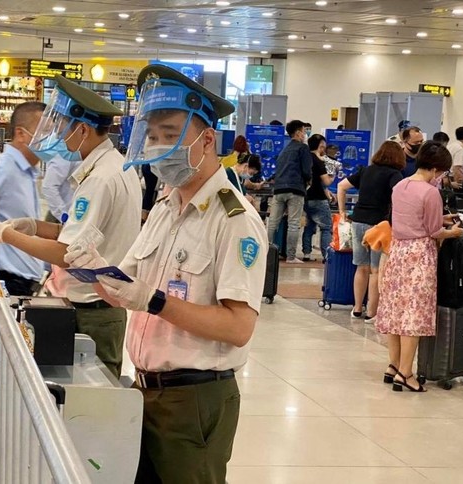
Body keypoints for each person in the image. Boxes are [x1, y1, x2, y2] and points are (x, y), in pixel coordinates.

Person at [65, 64, 268, 483]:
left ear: (207, 138)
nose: (159, 147)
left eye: (172, 135)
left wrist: (153, 301)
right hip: (144, 389)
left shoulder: (234, 220)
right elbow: (125, 285)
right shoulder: (165, 207)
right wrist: (93, 269)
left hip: (195, 398)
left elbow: (238, 327)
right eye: (152, 136)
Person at [0, 75, 141, 378]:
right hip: (95, 307)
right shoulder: (111, 166)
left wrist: (6, 234)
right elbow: (84, 238)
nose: (57, 135)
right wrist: (35, 227)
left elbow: (66, 252)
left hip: (93, 311)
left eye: (62, 127)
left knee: (90, 405)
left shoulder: (100, 178)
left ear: (82, 129)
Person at [375, 141, 463, 392]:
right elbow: (434, 231)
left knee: (395, 311)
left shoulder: (400, 185)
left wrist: (439, 219)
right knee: (413, 315)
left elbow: (411, 217)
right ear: (435, 169)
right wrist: (453, 231)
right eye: (443, 172)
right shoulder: (430, 192)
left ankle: (392, 366)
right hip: (419, 256)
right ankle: (406, 373)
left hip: (398, 252)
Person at [337, 141, 406, 321]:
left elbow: (341, 186)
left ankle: (357, 308)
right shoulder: (394, 174)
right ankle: (372, 313)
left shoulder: (365, 170)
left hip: (358, 221)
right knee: (376, 270)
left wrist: (342, 211)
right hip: (379, 225)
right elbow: (401, 195)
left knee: (361, 267)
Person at [0, 101, 46, 296]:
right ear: (21, 134)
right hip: (7, 281)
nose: (53, 139)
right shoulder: (4, 169)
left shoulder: (28, 171)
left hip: (25, 283)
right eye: (45, 132)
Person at [266, 119, 312, 264]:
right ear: (298, 133)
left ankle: (266, 252)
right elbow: (306, 170)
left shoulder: (284, 150)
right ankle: (291, 256)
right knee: (293, 223)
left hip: (279, 189)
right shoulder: (303, 148)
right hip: (295, 189)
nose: (305, 134)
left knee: (273, 222)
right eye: (304, 131)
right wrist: (309, 180)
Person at [302, 134, 335, 262]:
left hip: (306, 198)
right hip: (319, 200)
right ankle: (326, 255)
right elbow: (326, 181)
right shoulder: (319, 161)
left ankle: (306, 253)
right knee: (326, 227)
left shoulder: (305, 160)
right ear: (320, 146)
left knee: (309, 226)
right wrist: (332, 176)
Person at [42, 154, 78, 223]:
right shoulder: (66, 153)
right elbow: (49, 186)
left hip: (75, 214)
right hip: (63, 216)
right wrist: (64, 217)